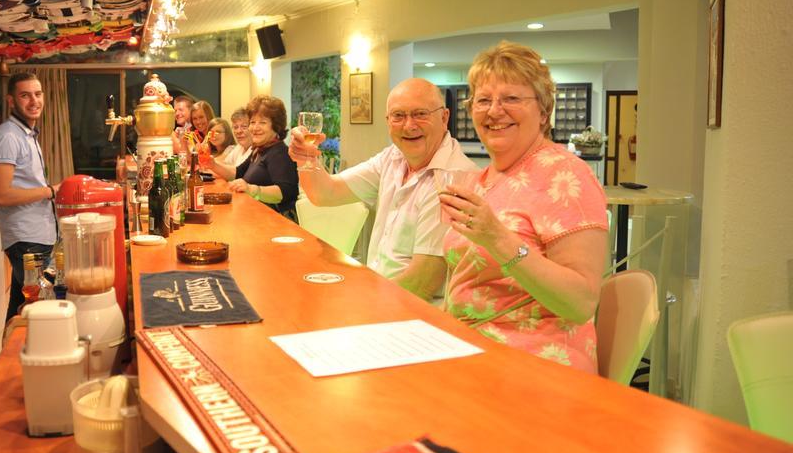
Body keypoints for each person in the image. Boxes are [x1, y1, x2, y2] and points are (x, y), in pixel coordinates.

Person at [438, 41, 607, 372]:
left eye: (511, 99)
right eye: (483, 100)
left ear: (544, 111)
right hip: (467, 348)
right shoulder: (480, 180)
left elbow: (581, 302)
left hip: (534, 360)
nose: (494, 111)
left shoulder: (566, 175)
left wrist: (498, 239)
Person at [289, 78, 476, 300]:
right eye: (398, 116)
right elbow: (325, 194)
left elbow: (422, 282)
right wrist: (305, 158)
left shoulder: (454, 177)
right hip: (382, 295)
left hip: (415, 310)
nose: (409, 125)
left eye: (420, 114)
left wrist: (360, 300)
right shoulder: (393, 158)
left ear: (444, 117)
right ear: (388, 121)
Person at [0, 72, 59, 322]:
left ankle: (11, 346)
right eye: (25, 95)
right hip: (26, 241)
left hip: (36, 236)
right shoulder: (8, 137)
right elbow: (2, 195)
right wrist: (51, 191)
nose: (34, 101)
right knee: (42, 311)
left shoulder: (26, 134)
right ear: (11, 101)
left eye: (38, 94)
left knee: (21, 307)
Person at [208, 95, 298, 217]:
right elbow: (238, 173)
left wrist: (251, 189)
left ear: (276, 126)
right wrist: (213, 165)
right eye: (252, 122)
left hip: (275, 220)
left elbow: (286, 192)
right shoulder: (259, 149)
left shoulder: (280, 153)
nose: (255, 128)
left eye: (262, 122)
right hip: (254, 214)